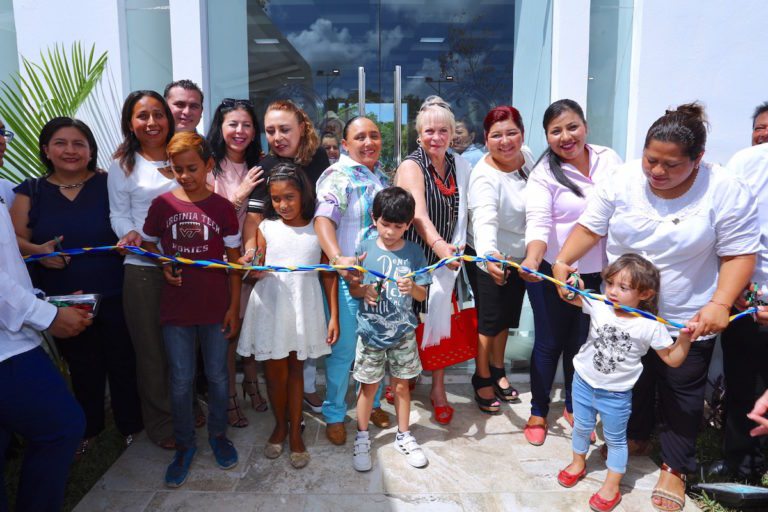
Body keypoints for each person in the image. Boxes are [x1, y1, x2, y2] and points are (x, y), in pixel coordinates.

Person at [553, 103, 759, 512]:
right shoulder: (623, 179)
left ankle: (674, 465)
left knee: (682, 387)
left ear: (698, 159)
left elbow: (739, 254)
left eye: (671, 165)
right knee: (633, 379)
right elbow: (591, 227)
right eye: (651, 160)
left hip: (685, 312)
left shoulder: (724, 188)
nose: (657, 172)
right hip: (625, 308)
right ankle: (637, 433)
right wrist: (563, 262)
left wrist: (720, 302)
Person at [11, 117, 143, 457]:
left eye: (78, 143)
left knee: (123, 362)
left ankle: (132, 426)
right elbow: (13, 240)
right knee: (82, 364)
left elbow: (128, 221)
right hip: (64, 300)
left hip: (116, 289)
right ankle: (90, 428)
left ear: (90, 151)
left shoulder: (107, 183)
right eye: (61, 143)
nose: (70, 150)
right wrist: (39, 254)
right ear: (46, 150)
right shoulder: (31, 191)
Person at [519, 99, 623, 445]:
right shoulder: (543, 174)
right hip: (552, 271)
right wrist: (533, 261)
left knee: (583, 344)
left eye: (572, 126)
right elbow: (538, 222)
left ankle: (575, 408)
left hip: (600, 275)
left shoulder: (609, 160)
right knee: (549, 342)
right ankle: (537, 411)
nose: (566, 136)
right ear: (547, 137)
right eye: (556, 131)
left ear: (585, 126)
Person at [556, 255, 694, 512]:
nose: (612, 291)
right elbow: (570, 297)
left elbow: (673, 359)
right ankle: (577, 463)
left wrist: (685, 338)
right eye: (610, 283)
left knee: (616, 439)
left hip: (616, 394)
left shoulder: (650, 326)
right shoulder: (598, 304)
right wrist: (570, 285)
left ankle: (612, 485)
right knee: (582, 427)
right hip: (583, 382)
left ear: (645, 293)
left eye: (623, 287)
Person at [142, 132, 241, 487]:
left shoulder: (223, 208)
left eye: (192, 168)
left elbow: (233, 263)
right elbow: (149, 245)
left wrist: (233, 307)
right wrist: (162, 265)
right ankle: (185, 444)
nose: (185, 175)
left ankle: (218, 435)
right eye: (178, 169)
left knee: (216, 376)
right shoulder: (162, 206)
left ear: (209, 166)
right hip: (176, 311)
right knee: (181, 379)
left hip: (215, 309)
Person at [0, 141, 91, 509]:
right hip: (7, 350)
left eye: (1, 130)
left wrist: (44, 301)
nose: (1, 140)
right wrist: (48, 317)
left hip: (14, 331)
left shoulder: (3, 189)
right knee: (61, 426)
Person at [238, 162, 338, 469]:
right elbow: (253, 268)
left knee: (297, 372)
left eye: (290, 197)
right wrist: (252, 268)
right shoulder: (265, 228)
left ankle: (295, 431)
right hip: (272, 308)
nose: (283, 205)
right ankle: (279, 425)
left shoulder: (318, 228)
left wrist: (333, 314)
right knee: (275, 375)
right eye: (277, 198)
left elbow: (328, 275)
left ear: (304, 194)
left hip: (304, 309)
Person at [314, 116, 391, 445]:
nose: (368, 142)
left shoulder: (381, 177)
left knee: (375, 348)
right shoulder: (338, 175)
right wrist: (338, 258)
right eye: (360, 137)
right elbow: (322, 220)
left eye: (374, 135)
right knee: (344, 352)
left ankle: (371, 403)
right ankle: (333, 413)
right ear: (345, 144)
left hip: (380, 279)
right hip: (348, 280)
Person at [394, 95, 470, 426]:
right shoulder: (412, 166)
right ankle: (404, 381)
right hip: (418, 259)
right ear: (418, 134)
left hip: (449, 258)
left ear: (452, 133)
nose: (435, 138)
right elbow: (419, 216)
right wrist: (440, 248)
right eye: (428, 131)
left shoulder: (459, 165)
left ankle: (438, 390)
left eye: (442, 131)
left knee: (441, 326)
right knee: (410, 326)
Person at [108, 90, 177, 449]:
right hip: (144, 269)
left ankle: (183, 408)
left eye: (157, 114)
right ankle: (162, 424)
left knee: (183, 349)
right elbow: (117, 213)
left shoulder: (183, 154)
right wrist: (129, 233)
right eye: (142, 116)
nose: (151, 123)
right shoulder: (125, 165)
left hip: (188, 268)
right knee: (151, 352)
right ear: (130, 123)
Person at [350, 187, 431, 471]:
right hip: (370, 332)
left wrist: (415, 288)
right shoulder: (364, 248)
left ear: (408, 225)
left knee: (401, 386)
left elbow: (422, 296)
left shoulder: (414, 252)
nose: (390, 232)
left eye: (398, 226)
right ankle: (361, 437)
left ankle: (403, 435)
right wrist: (365, 291)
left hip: (403, 333)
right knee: (368, 387)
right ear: (374, 219)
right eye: (385, 224)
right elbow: (354, 288)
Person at [467, 106, 536, 413]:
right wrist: (489, 257)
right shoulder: (484, 177)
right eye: (497, 135)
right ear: (486, 139)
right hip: (489, 255)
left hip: (521, 255)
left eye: (512, 133)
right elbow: (484, 220)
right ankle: (482, 376)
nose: (505, 141)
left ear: (522, 134)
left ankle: (499, 371)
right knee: (489, 321)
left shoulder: (530, 158)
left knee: (506, 320)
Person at [206, 98, 267, 427]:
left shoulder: (260, 163)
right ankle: (229, 396)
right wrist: (239, 194)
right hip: (220, 264)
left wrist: (256, 255)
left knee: (253, 329)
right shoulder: (209, 166)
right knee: (230, 332)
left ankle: (253, 385)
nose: (240, 131)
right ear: (221, 128)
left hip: (253, 260)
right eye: (233, 124)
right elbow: (205, 216)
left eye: (246, 125)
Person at [711, 139, 768, 482]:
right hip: (749, 295)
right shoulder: (749, 162)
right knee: (744, 383)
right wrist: (730, 288)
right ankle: (741, 463)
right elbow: (724, 225)